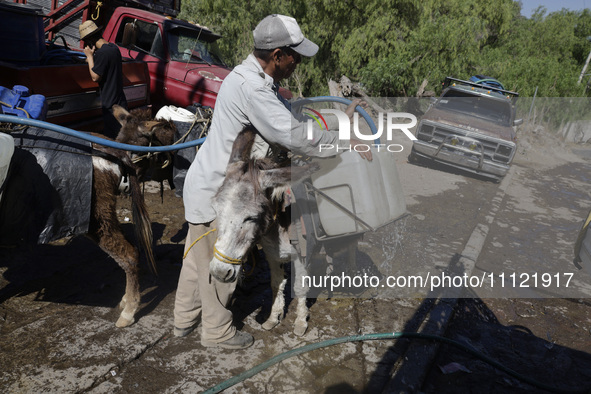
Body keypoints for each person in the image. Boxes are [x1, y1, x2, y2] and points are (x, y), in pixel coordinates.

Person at [173, 14, 370, 349]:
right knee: (222, 265)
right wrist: (343, 143)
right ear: (278, 55)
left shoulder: (250, 77)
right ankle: (217, 332)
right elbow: (291, 133)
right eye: (296, 56)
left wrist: (339, 120)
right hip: (225, 195)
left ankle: (183, 321)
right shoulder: (254, 88)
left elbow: (290, 117)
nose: (299, 62)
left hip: (206, 183)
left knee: (197, 259)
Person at [79, 20, 128, 139]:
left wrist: (90, 57)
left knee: (113, 138)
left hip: (110, 106)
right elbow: (105, 64)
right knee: (125, 134)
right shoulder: (113, 48)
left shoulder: (102, 54)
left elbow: (95, 77)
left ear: (90, 41)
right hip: (121, 102)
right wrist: (93, 58)